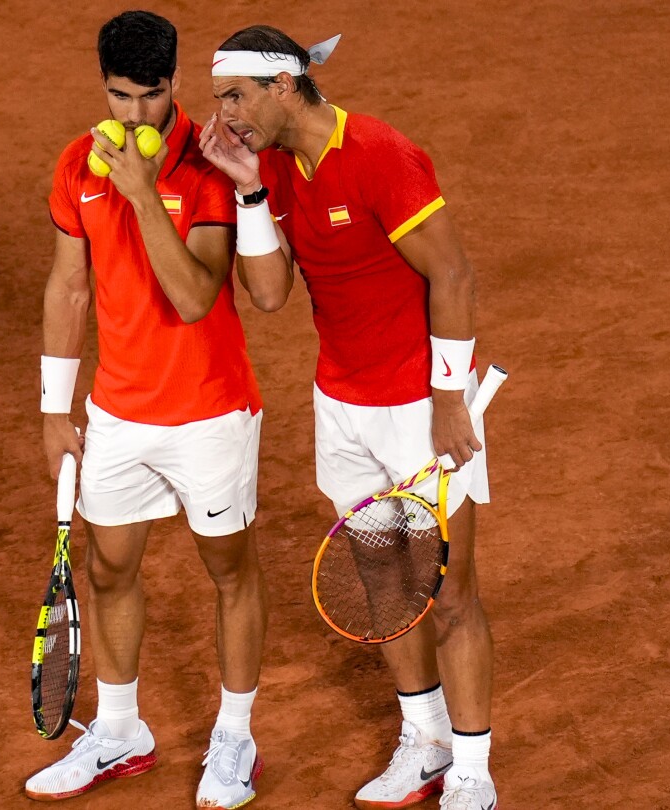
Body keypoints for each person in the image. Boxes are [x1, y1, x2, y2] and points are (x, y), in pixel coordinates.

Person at [200, 26, 498, 810]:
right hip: (343, 407)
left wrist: (445, 399)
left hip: (418, 407)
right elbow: (268, 295)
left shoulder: (379, 154)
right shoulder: (269, 165)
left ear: (284, 86)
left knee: (453, 591)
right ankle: (425, 739)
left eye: (236, 96)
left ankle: (473, 772)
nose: (225, 115)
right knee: (384, 581)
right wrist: (248, 191)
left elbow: (455, 274)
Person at [26, 11, 267, 807]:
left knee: (227, 570)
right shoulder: (77, 164)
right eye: (118, 96)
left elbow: (198, 297)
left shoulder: (209, 167)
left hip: (208, 412)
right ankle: (122, 731)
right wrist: (56, 412)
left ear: (175, 86)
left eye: (150, 96)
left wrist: (139, 196)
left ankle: (235, 738)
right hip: (120, 412)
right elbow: (68, 286)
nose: (132, 117)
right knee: (108, 567)